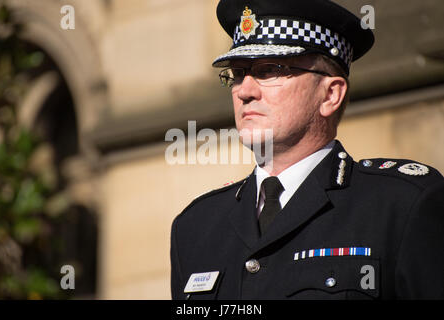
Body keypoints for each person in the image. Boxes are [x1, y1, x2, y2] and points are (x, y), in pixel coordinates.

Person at [170, 0, 444, 300]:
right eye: (237, 73)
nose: (244, 91)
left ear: (330, 94)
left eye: (269, 70)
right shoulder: (196, 228)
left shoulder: (402, 204)